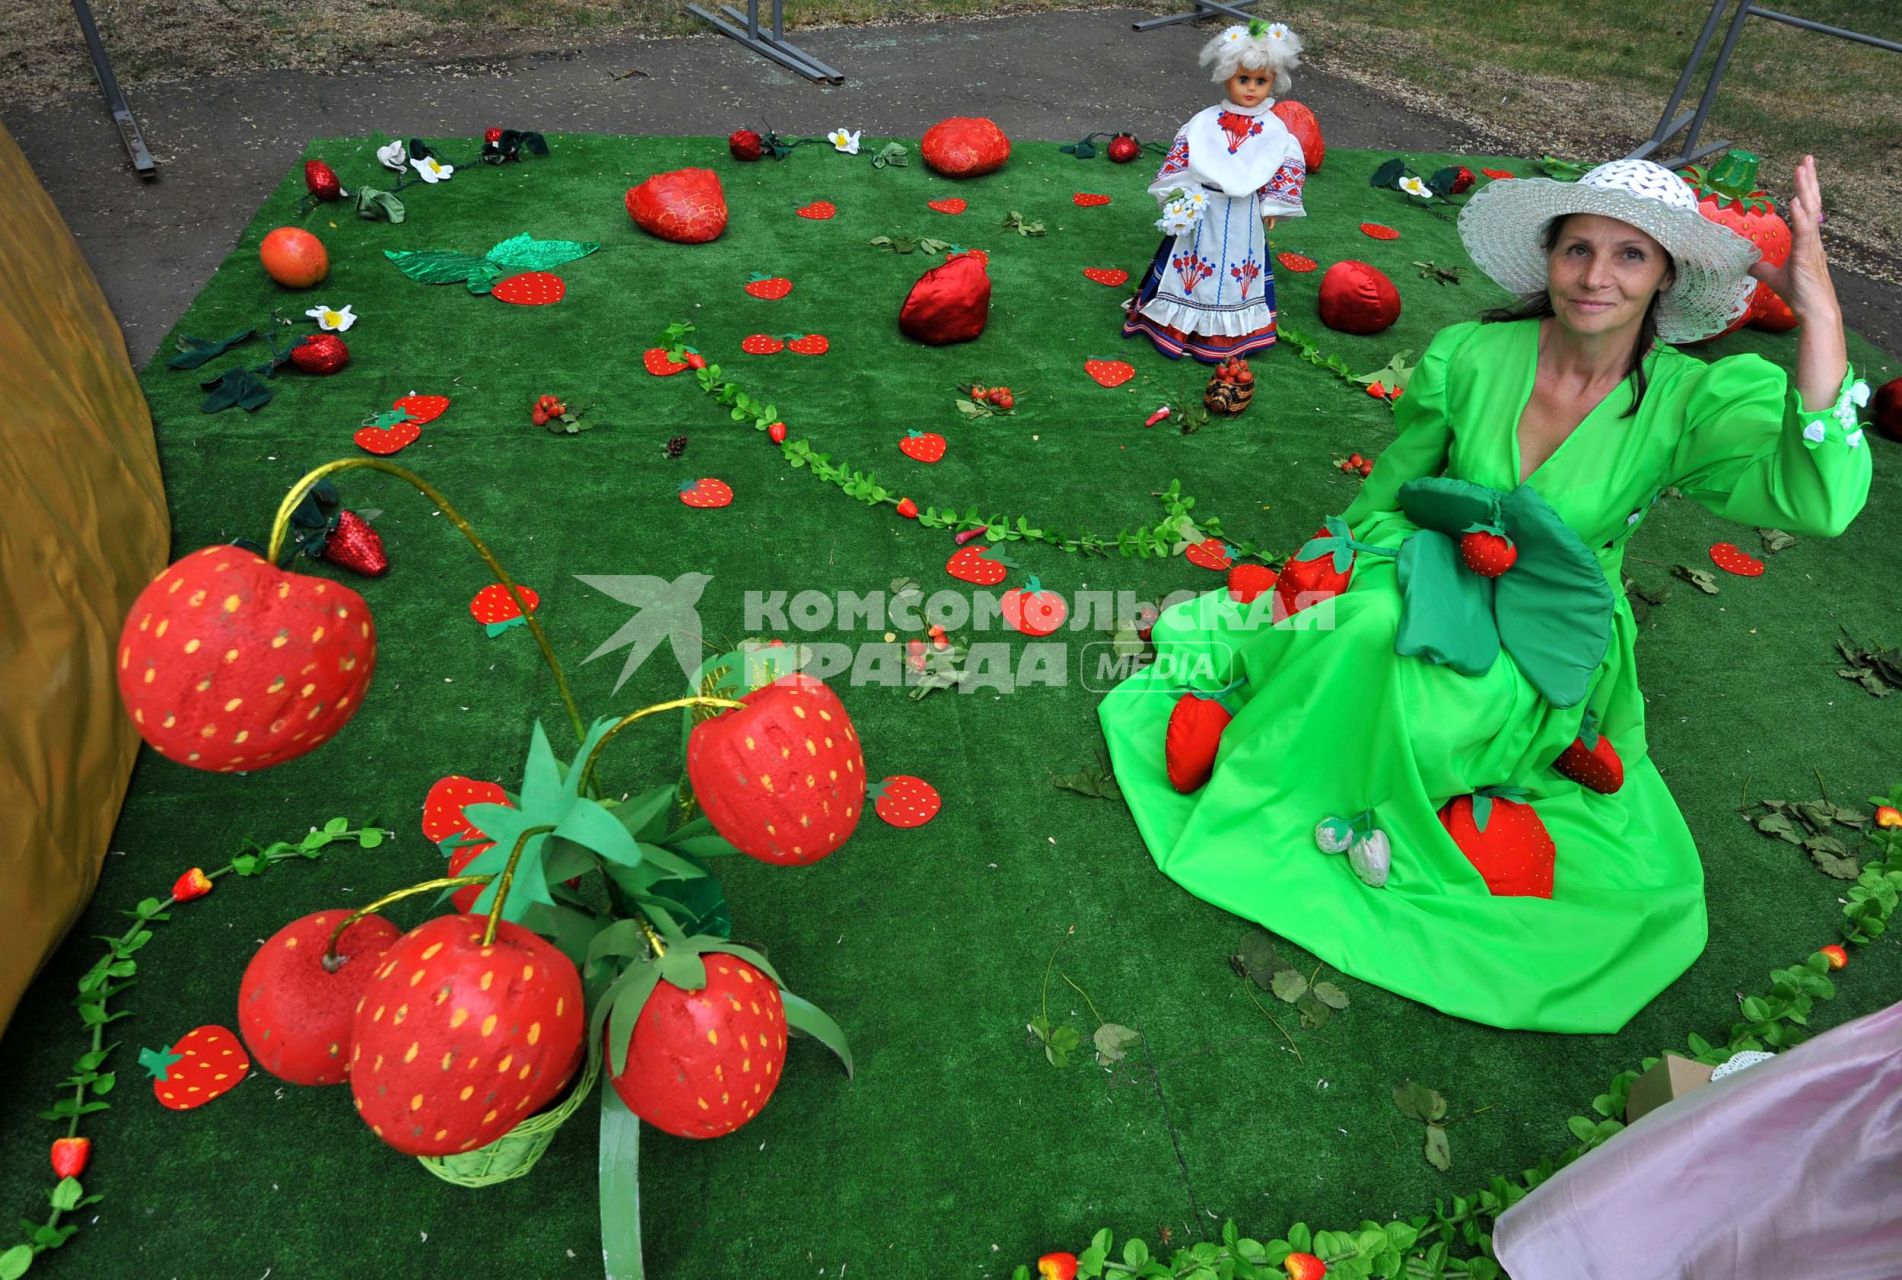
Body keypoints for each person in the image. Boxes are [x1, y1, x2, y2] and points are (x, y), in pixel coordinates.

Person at [1097, 156, 1873, 1033]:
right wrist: (1327, 570)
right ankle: (1275, 781)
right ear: (1548, 258)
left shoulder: (1692, 400)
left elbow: (1818, 500)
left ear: (1665, 277)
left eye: (1630, 256)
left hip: (1549, 629)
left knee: (1433, 710)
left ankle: (1384, 816)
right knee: (1363, 630)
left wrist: (1820, 306)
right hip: (1429, 571)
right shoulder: (1474, 353)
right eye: (1578, 248)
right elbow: (1392, 489)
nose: (1595, 277)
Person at [1121, 20, 1308, 363]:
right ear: (1227, 76)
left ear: (1273, 82)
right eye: (1243, 79)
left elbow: (1283, 164)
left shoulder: (1275, 128)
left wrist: (1271, 206)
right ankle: (1178, 324)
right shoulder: (1204, 120)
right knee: (1191, 261)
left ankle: (1227, 333)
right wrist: (1179, 196)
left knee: (1237, 267)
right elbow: (1183, 155)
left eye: (1261, 81)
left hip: (1242, 213)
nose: (1251, 88)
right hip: (1204, 206)